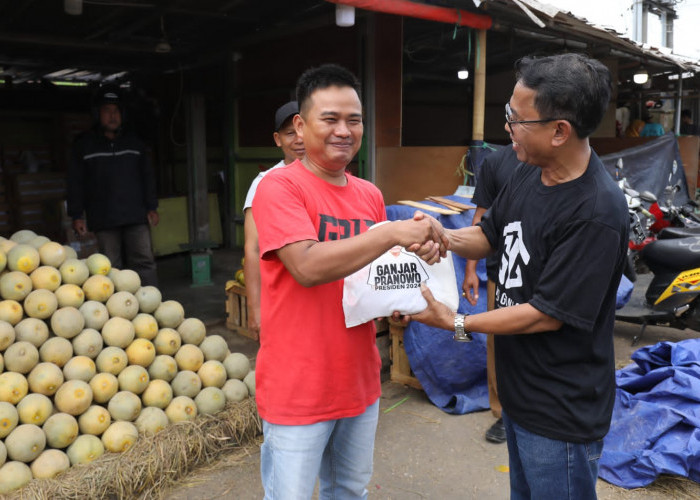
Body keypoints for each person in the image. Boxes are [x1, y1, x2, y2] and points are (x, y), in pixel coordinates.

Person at [404, 53, 629, 499]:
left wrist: (456, 321)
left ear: (559, 131)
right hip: (521, 395)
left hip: (560, 411)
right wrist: (442, 237)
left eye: (516, 118)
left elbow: (544, 315)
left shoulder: (596, 212)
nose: (506, 126)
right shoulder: (531, 171)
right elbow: (489, 235)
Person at [251, 63, 446, 499]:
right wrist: (393, 232)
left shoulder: (368, 195)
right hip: (298, 383)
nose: (344, 130)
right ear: (300, 126)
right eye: (330, 119)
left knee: (349, 492)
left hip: (357, 379)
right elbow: (306, 266)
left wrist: (406, 287)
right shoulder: (279, 188)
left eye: (354, 120)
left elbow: (373, 278)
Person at [67, 85, 159, 286]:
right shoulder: (85, 145)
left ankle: (152, 304)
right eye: (107, 111)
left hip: (136, 215)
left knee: (144, 261)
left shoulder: (135, 143)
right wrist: (76, 215)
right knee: (111, 266)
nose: (112, 116)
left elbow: (147, 176)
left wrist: (152, 207)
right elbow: (75, 182)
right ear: (97, 114)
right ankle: (120, 312)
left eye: (116, 111)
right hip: (104, 218)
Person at [461, 145, 520, 445]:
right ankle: (502, 413)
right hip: (503, 268)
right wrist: (471, 269)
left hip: (545, 269)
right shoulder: (496, 162)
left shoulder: (551, 161)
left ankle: (531, 409)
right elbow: (481, 218)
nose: (514, 126)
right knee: (497, 341)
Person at [242, 101, 305, 337]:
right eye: (290, 133)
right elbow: (252, 248)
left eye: (303, 131)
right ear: (278, 139)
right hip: (282, 298)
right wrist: (254, 308)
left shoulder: (331, 178)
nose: (299, 139)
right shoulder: (264, 183)